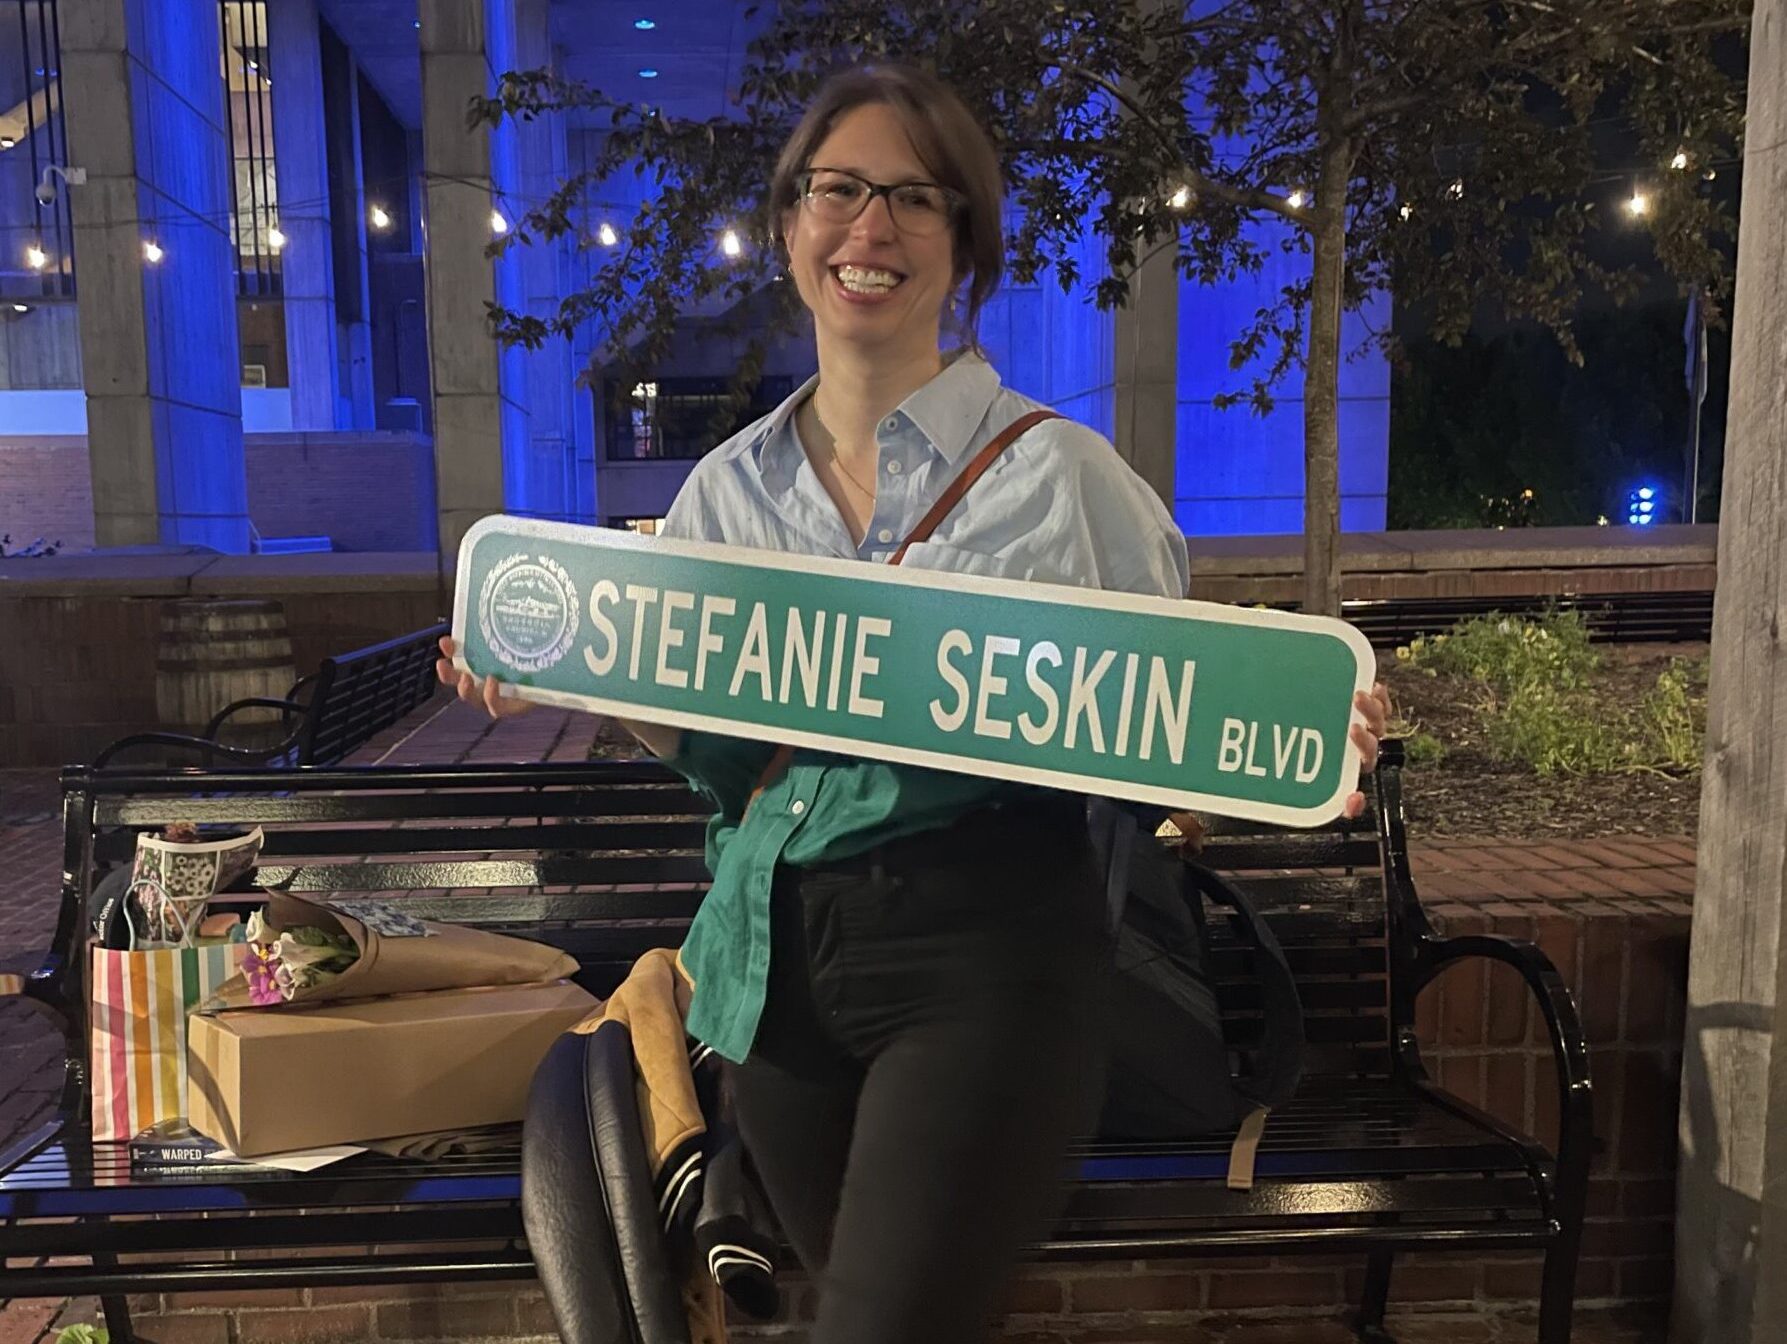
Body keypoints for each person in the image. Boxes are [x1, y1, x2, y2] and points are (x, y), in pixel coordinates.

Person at [439, 63, 1392, 1343]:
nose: (868, 227)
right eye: (836, 190)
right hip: (773, 978)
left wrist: (1289, 734)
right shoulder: (722, 498)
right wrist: (563, 678)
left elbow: (1165, 726)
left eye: (914, 198)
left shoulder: (1064, 482)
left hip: (984, 964)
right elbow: (727, 756)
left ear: (964, 249)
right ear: (788, 230)